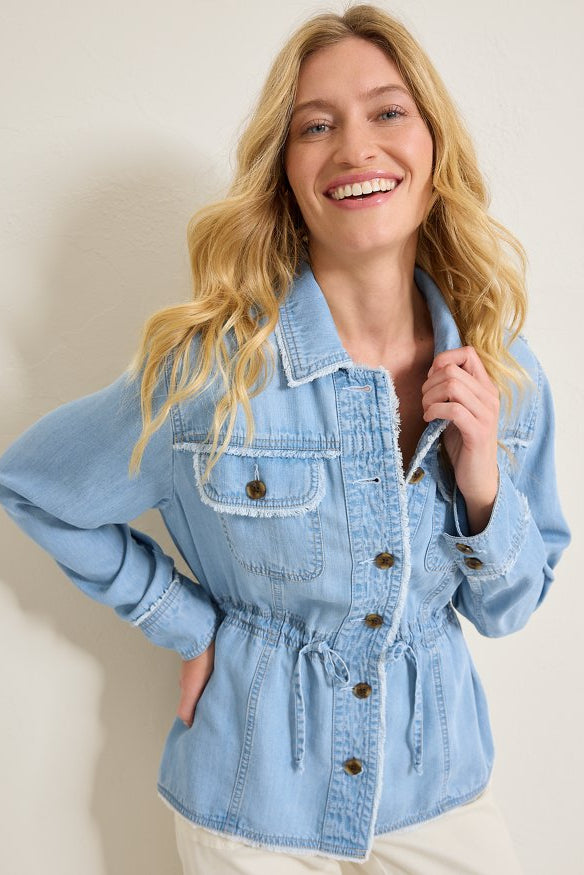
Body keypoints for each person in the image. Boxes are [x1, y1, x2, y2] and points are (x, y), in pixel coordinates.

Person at [0, 4, 570, 873]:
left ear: (434, 150)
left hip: (438, 788)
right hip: (250, 797)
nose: (355, 148)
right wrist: (188, 623)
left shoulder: (502, 368)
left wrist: (482, 476)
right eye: (316, 126)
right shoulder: (210, 373)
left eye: (388, 111)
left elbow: (509, 610)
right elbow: (36, 484)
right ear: (285, 173)